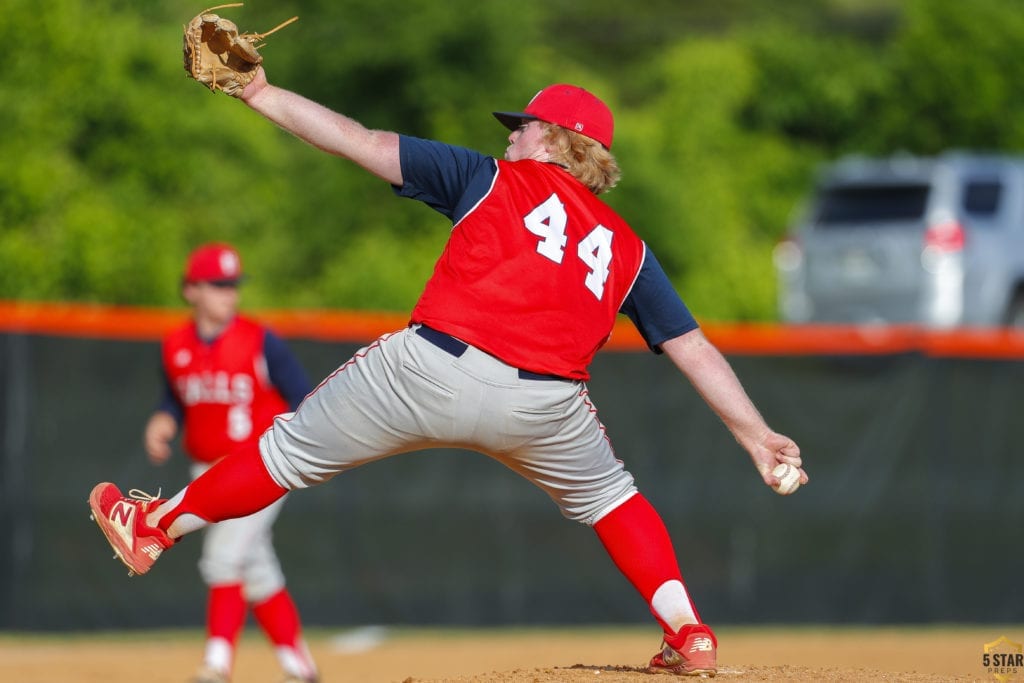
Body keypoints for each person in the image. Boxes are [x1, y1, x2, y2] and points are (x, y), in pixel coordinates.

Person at [90, 71, 808, 677]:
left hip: (432, 367)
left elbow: (360, 142)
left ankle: (153, 525)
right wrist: (756, 435)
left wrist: (259, 91)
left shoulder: (489, 177)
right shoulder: (627, 248)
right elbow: (692, 346)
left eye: (523, 126)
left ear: (555, 139)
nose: (511, 134)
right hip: (546, 404)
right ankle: (688, 631)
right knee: (613, 499)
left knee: (283, 453)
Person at [140, 243, 319, 683]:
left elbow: (307, 399)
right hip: (205, 473)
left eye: (233, 285)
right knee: (256, 569)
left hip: (257, 469)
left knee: (222, 560)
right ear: (190, 290)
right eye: (219, 285)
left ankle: (216, 665)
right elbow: (176, 402)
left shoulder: (261, 341)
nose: (229, 294)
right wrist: (163, 421)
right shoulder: (175, 345)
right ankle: (302, 668)